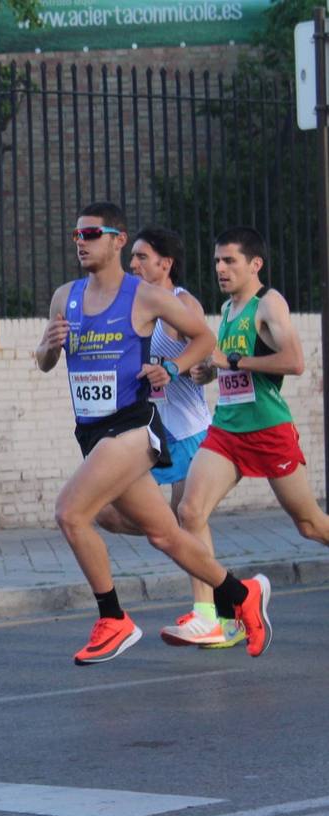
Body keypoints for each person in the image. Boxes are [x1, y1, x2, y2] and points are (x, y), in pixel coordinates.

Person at [34, 202, 270, 665]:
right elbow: (46, 362)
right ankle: (241, 596)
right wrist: (45, 347)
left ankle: (113, 618)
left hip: (133, 429)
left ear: (118, 240)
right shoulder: (66, 297)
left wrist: (170, 366)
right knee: (165, 534)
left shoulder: (144, 296)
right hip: (92, 433)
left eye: (92, 234)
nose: (81, 242)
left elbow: (204, 338)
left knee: (70, 512)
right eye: (77, 235)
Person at [172, 226, 329, 648]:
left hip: (268, 430)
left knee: (311, 525)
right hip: (227, 429)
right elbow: (228, 366)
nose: (221, 268)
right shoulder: (226, 309)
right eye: (218, 261)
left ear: (254, 264)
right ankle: (211, 616)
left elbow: (294, 362)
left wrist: (233, 358)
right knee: (189, 511)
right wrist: (210, 370)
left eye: (230, 261)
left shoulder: (268, 303)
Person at [88, 227, 233, 647]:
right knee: (109, 514)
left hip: (188, 432)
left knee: (190, 516)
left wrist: (189, 369)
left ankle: (207, 613)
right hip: (150, 434)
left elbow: (206, 360)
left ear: (164, 264)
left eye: (141, 256)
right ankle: (225, 589)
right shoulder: (131, 304)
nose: (133, 263)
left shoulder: (182, 303)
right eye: (132, 257)